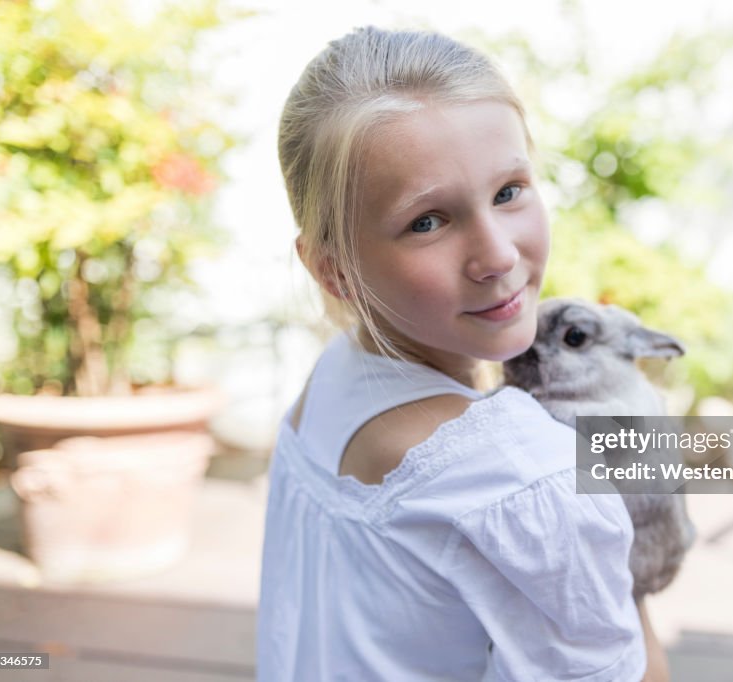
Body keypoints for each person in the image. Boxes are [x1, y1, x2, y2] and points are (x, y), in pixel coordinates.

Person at [257, 26, 670, 682]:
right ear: (334, 271)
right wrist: (633, 559)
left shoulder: (335, 374)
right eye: (428, 221)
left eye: (508, 191)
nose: (499, 255)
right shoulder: (524, 476)